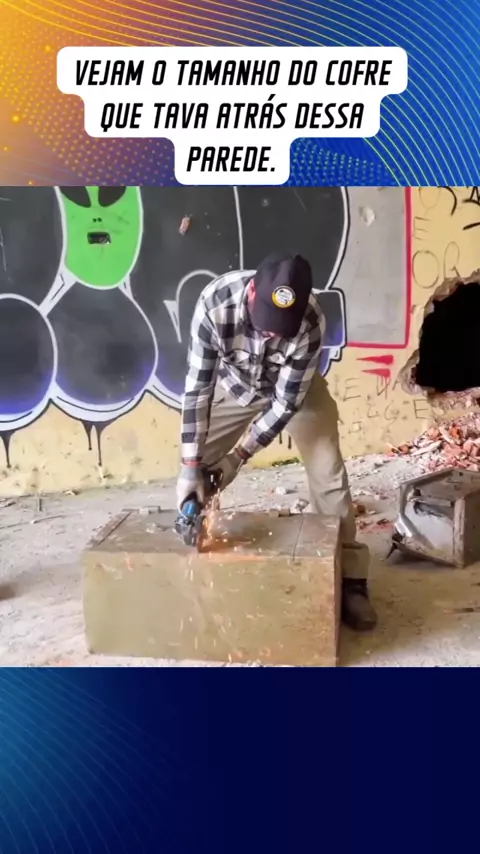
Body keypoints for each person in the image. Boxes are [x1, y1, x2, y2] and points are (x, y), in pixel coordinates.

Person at [176, 253, 377, 632]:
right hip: (235, 386)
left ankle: (351, 578)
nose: (271, 335)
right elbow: (198, 390)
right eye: (265, 323)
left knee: (328, 471)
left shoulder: (311, 319)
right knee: (197, 463)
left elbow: (286, 404)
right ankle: (194, 537)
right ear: (252, 291)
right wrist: (190, 468)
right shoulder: (214, 305)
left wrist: (239, 457)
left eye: (281, 329)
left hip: (297, 392)